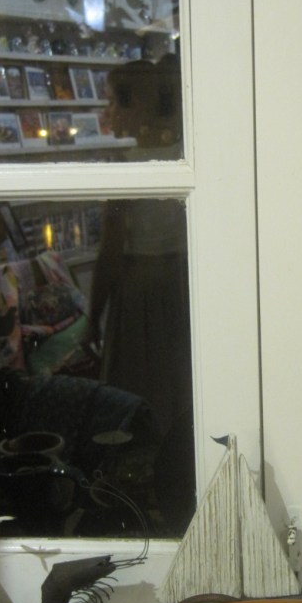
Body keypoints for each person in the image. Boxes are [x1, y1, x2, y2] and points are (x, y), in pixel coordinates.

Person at [84, 55, 195, 532]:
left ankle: (145, 493)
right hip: (181, 288)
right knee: (179, 387)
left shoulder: (126, 167)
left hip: (141, 295)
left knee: (140, 390)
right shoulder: (188, 156)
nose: (109, 111)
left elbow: (111, 252)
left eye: (115, 101)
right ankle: (179, 480)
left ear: (139, 105)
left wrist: (93, 316)